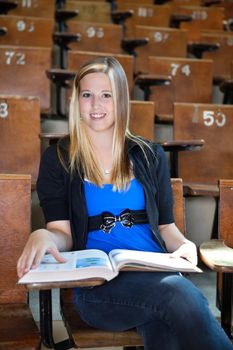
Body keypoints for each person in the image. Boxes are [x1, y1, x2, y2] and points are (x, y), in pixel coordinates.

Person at [17, 57, 232, 350]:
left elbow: (166, 227)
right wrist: (43, 234)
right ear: (75, 100)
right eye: (87, 95)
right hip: (100, 289)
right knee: (179, 297)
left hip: (154, 271)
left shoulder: (149, 154)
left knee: (165, 322)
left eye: (107, 95)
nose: (96, 105)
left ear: (121, 100)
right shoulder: (58, 159)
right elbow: (62, 233)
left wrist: (183, 246)